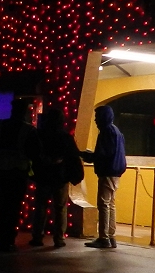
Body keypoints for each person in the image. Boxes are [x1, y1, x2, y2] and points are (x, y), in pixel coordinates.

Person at [0, 97, 42, 252]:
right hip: (18, 172)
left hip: (0, 170)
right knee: (14, 207)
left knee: (2, 204)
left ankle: (1, 235)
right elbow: (35, 152)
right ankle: (9, 239)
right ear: (25, 111)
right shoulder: (28, 130)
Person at [31, 107, 84, 249]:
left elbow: (33, 153)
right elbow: (73, 156)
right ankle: (59, 238)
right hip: (60, 177)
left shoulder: (40, 135)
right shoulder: (65, 137)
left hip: (43, 175)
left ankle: (37, 236)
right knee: (60, 208)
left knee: (41, 207)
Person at [81, 104, 126, 249]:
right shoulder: (117, 132)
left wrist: (86, 155)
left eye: (96, 117)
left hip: (107, 172)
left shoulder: (106, 132)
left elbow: (103, 154)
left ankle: (103, 238)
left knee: (103, 204)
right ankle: (111, 236)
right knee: (111, 204)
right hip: (116, 172)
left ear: (103, 117)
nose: (95, 120)